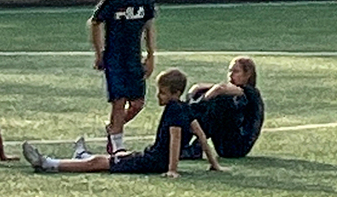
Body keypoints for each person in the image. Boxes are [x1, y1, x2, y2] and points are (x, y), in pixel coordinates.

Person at [26, 68, 219, 179]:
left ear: (175, 93)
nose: (158, 96)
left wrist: (172, 170)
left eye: (162, 92)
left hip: (152, 162)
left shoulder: (174, 110)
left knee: (98, 163)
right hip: (151, 157)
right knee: (119, 155)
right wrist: (214, 165)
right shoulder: (185, 108)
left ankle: (48, 164)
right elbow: (201, 137)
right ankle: (81, 155)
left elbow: (175, 140)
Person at [89, 0, 157, 155]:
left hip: (134, 58)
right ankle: (118, 146)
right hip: (115, 58)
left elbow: (149, 27)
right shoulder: (112, 0)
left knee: (137, 103)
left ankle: (112, 128)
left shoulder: (145, 0)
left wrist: (151, 55)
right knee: (118, 101)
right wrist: (99, 52)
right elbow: (95, 22)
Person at [183, 57, 264, 161]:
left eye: (236, 71)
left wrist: (196, 103)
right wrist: (197, 89)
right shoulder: (235, 90)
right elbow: (211, 87)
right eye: (230, 71)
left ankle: (196, 146)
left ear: (247, 75)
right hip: (225, 141)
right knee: (211, 98)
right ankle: (185, 144)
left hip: (237, 146)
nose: (231, 75)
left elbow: (219, 89)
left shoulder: (250, 92)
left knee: (221, 101)